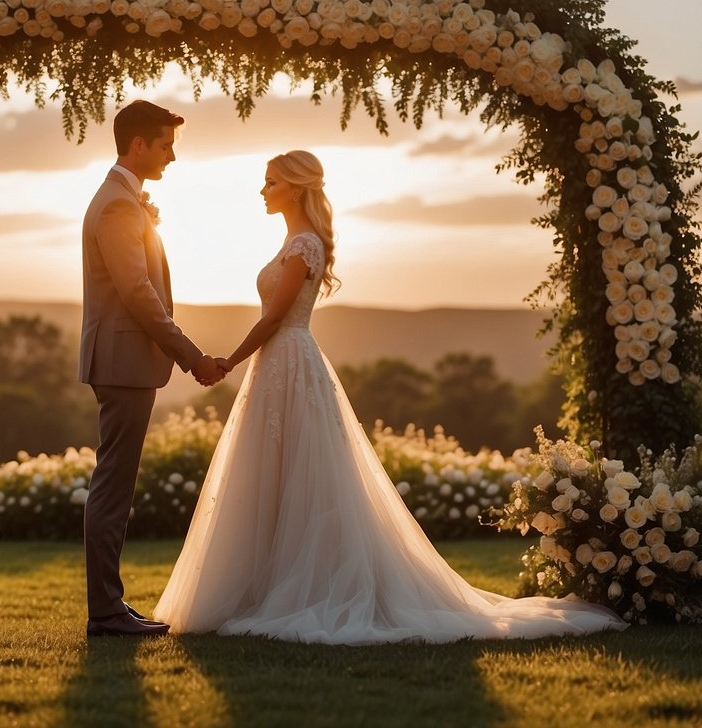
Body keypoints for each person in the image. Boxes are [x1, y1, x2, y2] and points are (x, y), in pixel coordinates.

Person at [153, 150, 627, 644]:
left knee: (303, 471)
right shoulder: (293, 242)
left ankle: (304, 589)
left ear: (295, 188)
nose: (262, 190)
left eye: (270, 182)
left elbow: (274, 317)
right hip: (277, 365)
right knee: (268, 471)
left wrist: (229, 360)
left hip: (289, 356)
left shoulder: (305, 244)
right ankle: (262, 586)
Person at [78, 100, 225, 637]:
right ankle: (106, 612)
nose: (172, 156)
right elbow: (138, 294)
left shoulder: (123, 200)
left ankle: (110, 606)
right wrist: (192, 356)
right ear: (137, 145)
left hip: (123, 361)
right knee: (113, 486)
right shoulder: (119, 205)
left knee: (115, 482)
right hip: (123, 361)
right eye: (165, 145)